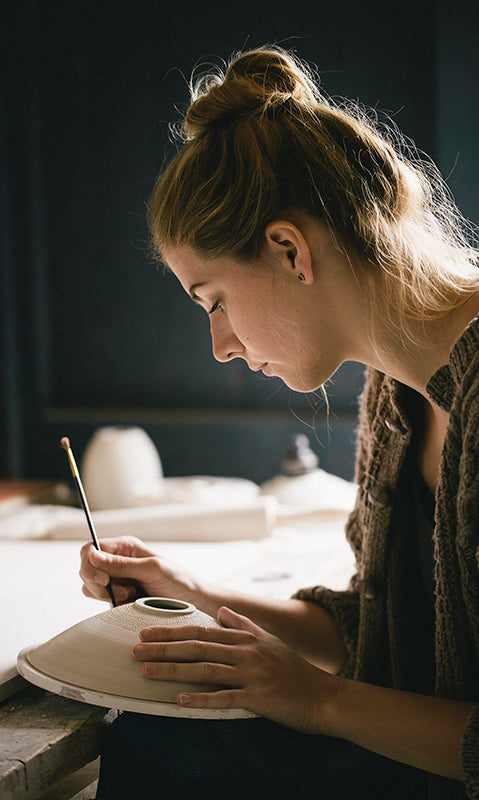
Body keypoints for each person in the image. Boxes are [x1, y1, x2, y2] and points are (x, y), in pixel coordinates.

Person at [79, 47, 479, 799]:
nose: (221, 346)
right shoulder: (397, 393)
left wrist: (319, 700)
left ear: (289, 249)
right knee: (156, 735)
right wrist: (192, 589)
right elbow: (380, 628)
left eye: (213, 301)